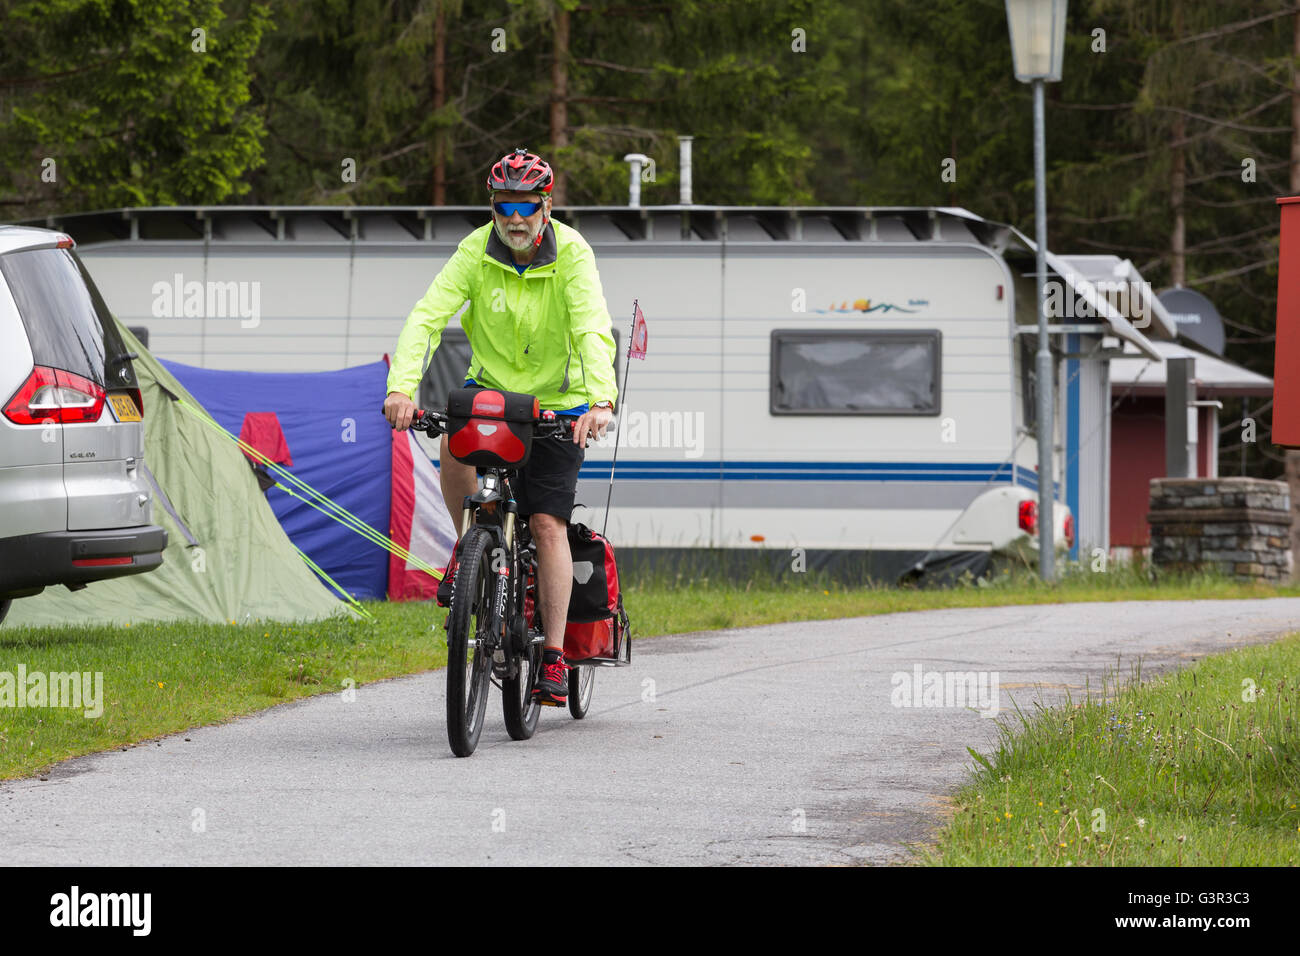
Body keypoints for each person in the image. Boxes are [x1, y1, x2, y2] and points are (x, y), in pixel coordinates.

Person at [383, 147, 618, 705]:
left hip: (559, 407)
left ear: (547, 206)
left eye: (527, 206)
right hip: (491, 398)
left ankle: (555, 656)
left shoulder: (573, 255)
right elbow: (427, 316)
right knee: (452, 441)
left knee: (546, 526)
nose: (515, 218)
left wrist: (600, 402)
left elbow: (591, 329)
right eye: (504, 206)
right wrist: (401, 387)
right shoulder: (475, 251)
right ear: (493, 207)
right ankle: (469, 553)